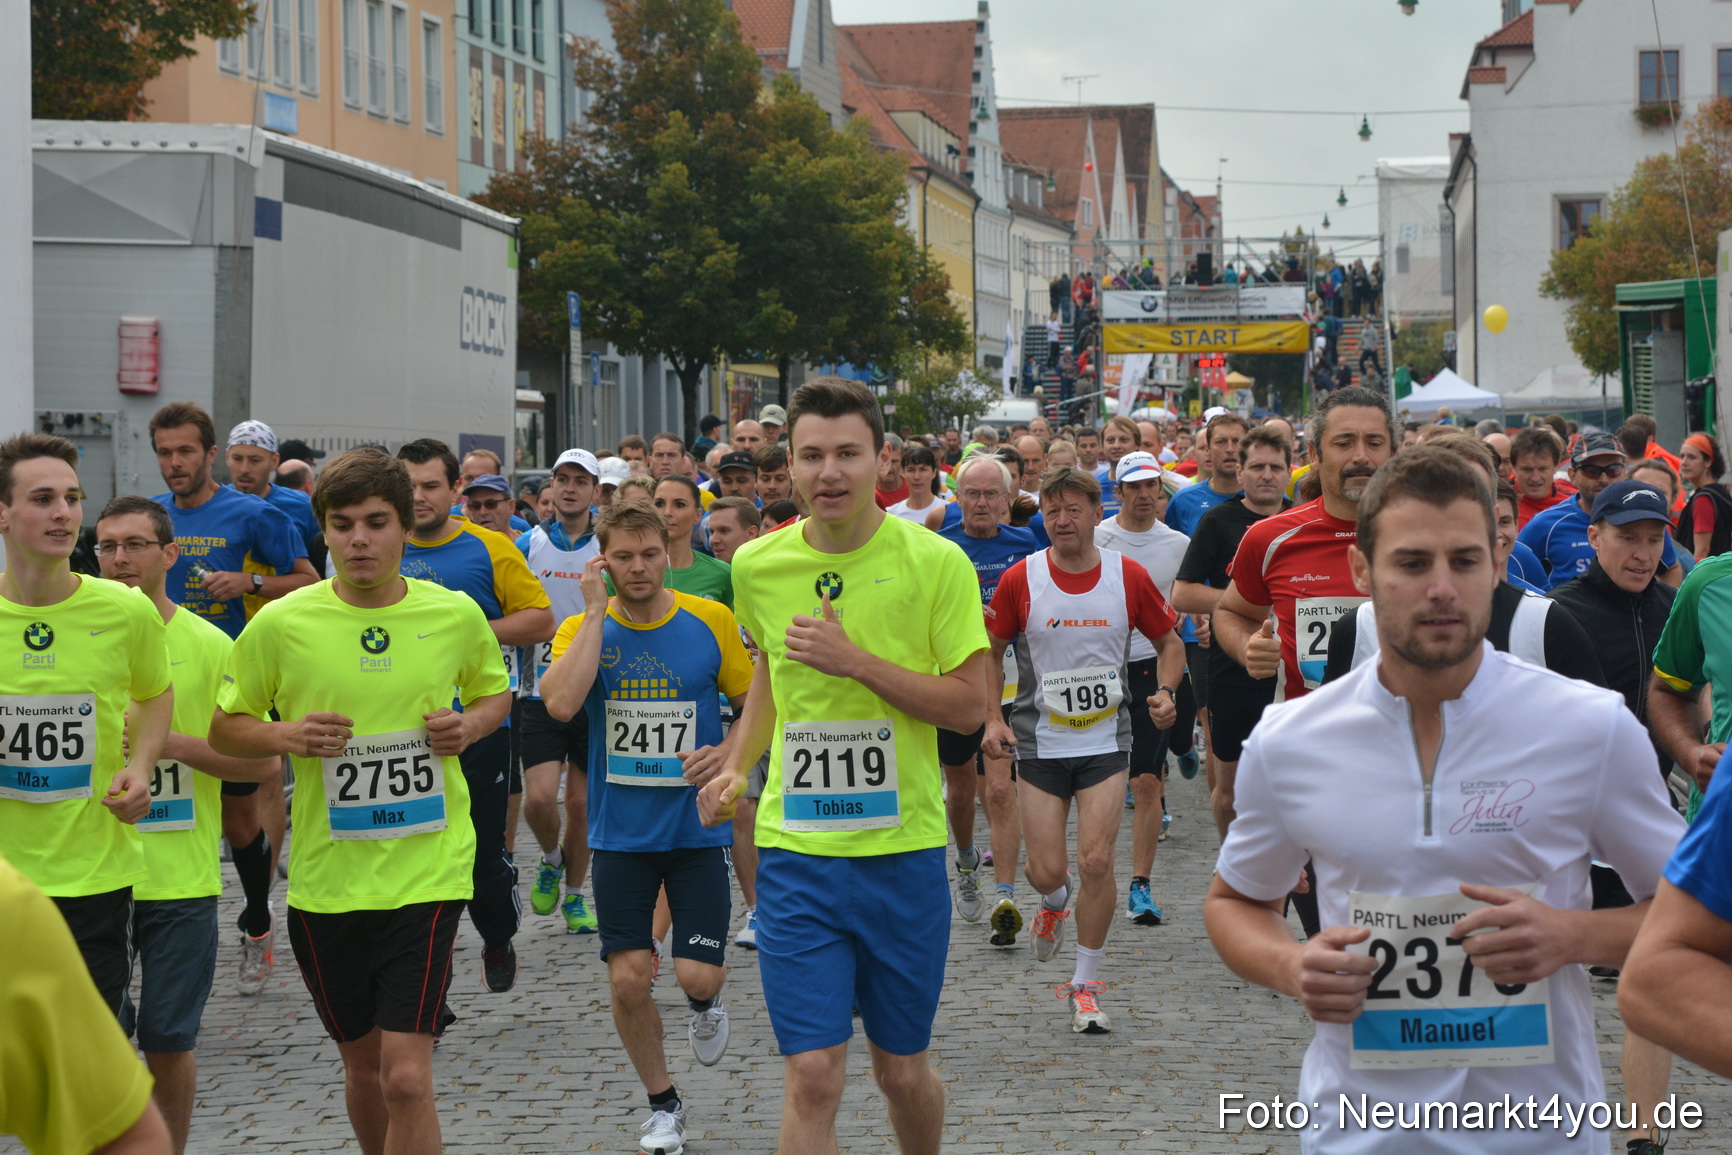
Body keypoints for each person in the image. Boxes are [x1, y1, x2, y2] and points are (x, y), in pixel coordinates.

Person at [1204, 446, 1686, 1154]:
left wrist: (1571, 936)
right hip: (1356, 1133)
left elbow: (1693, 910)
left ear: (1497, 560)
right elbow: (1235, 900)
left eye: (1463, 561)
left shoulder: (1589, 726)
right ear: (1363, 571)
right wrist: (1290, 964)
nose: (1440, 588)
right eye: (1410, 562)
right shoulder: (1291, 738)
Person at [696, 377, 988, 1154]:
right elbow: (773, 678)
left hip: (904, 855)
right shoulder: (755, 565)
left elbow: (969, 705)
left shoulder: (938, 562)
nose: (830, 472)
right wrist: (736, 763)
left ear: (882, 459)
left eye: (848, 454)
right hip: (799, 857)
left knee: (900, 1071)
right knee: (815, 1074)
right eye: (812, 455)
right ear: (785, 467)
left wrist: (858, 663)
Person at [211, 448, 511, 1154]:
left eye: (376, 523)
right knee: (366, 1069)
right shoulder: (284, 623)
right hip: (330, 878)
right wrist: (287, 732)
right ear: (322, 530)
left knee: (407, 1075)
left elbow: (497, 692)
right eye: (342, 525)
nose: (359, 540)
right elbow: (227, 722)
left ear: (406, 526)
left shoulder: (453, 613)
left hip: (428, 867)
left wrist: (467, 724)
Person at [538, 502, 752, 1155]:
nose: (638, 567)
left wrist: (730, 756)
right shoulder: (582, 625)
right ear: (602, 559)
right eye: (623, 556)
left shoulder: (709, 620)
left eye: (649, 554)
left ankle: (705, 1006)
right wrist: (597, 615)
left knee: (697, 976)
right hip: (619, 836)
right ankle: (664, 1105)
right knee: (629, 977)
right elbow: (560, 702)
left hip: (695, 832)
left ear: (668, 551)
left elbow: (755, 705)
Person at [95, 495, 280, 1155]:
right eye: (108, 545)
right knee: (99, 1044)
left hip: (178, 880)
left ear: (170, 554)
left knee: (169, 1040)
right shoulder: (79, 632)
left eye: (136, 544)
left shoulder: (210, 644)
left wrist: (165, 745)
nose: (120, 559)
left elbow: (261, 760)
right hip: (90, 875)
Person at [983, 465, 1183, 1033]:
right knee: (1045, 869)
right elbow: (989, 651)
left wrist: (1167, 692)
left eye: (1074, 510)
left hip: (1104, 740)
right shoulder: (1022, 578)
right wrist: (991, 717)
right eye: (1052, 512)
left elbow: (1171, 644)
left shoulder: (1128, 576)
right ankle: (1052, 904)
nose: (1062, 521)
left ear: (1098, 515)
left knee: (1096, 860)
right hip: (1040, 741)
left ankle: (1085, 984)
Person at [0, 434, 173, 1017]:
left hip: (95, 874)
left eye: (72, 498)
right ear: (2, 512)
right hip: (5, 883)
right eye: (43, 498)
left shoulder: (124, 609)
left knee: (95, 1051)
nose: (63, 513)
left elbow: (154, 693)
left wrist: (142, 766)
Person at [150, 403, 315, 992]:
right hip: (162, 679)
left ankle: (255, 919)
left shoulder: (252, 513)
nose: (175, 463)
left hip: (233, 678)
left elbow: (308, 582)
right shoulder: (152, 519)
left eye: (185, 451)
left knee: (239, 819)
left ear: (209, 454)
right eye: (165, 452)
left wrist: (251, 582)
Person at [396, 438, 555, 990]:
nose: (417, 497)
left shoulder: (488, 548)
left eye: (430, 486)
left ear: (456, 489)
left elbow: (540, 620)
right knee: (414, 862)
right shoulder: (378, 547)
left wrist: (466, 634)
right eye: (408, 486)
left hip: (482, 724)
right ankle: (421, 988)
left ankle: (496, 934)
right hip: (400, 735)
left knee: (484, 855)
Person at [0, 850, 175, 1155]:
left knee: (165, 1035)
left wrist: (139, 799)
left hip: (94, 881)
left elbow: (129, 1138)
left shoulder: (10, 904)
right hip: (37, 875)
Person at [937, 454, 1042, 946]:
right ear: (957, 499)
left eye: (990, 494)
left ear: (1007, 499)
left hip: (1010, 682)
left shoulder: (1027, 544)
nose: (981, 503)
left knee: (1000, 789)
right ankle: (964, 862)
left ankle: (1005, 898)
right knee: (960, 793)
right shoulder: (938, 548)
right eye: (972, 494)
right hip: (955, 686)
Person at [1172, 424, 1292, 838]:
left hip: (1290, 673)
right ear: (1240, 473)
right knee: (1229, 791)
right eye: (1256, 466)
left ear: (1289, 472)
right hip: (1230, 667)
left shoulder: (1302, 519)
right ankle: (1232, 856)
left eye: (1276, 467)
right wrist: (1243, 606)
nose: (1266, 475)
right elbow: (1182, 593)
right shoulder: (1219, 520)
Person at [1094, 452, 1192, 925]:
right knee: (1105, 781)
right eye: (1133, 486)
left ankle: (1141, 886)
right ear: (1118, 493)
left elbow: (1188, 595)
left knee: (1148, 781)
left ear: (1160, 489)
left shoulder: (1177, 543)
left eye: (1151, 485)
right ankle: (1095, 874)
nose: (1143, 494)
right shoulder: (1097, 539)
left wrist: (1199, 620)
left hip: (1155, 666)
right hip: (1099, 672)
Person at [517, 448, 604, 934]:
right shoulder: (527, 543)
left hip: (594, 693)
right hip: (540, 692)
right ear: (551, 486)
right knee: (538, 801)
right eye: (562, 479)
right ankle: (551, 859)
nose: (570, 488)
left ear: (595, 491)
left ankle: (574, 896)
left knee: (581, 806)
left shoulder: (606, 545)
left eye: (580, 481)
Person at [1518, 431, 1683, 592]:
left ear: (1624, 472)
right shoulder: (1548, 523)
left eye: (1613, 470)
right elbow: (1514, 567)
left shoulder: (1643, 519)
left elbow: (1671, 567)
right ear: (1572, 475)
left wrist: (1665, 613)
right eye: (1592, 471)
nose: (1604, 479)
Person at [649, 476, 733, 607]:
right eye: (659, 504)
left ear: (697, 515)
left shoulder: (721, 573)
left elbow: (728, 625)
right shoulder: (629, 570)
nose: (667, 512)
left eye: (679, 505)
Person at [1676, 432, 1732, 560]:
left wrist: (1693, 579)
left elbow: (1701, 551)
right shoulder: (1721, 493)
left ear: (1708, 462)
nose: (1684, 462)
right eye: (1682, 456)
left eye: (1691, 457)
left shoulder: (1703, 499)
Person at [1510, 426, 1576, 528]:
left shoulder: (1574, 503)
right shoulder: (1497, 505)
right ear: (1513, 468)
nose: (1535, 478)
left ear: (1555, 467)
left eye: (1542, 469)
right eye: (1527, 470)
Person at [886, 444, 945, 524]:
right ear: (903, 472)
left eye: (923, 470)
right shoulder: (892, 514)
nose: (916, 477)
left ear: (934, 473)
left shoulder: (947, 511)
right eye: (911, 470)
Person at [461, 473, 520, 540]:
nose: (483, 512)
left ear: (511, 506)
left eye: (491, 504)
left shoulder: (528, 546)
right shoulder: (465, 548)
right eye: (476, 506)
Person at [706, 497, 761, 565]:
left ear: (751, 533)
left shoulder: (770, 573)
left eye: (724, 531)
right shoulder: (705, 573)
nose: (714, 540)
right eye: (711, 532)